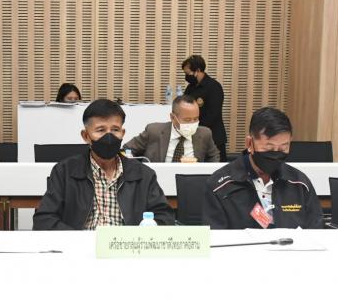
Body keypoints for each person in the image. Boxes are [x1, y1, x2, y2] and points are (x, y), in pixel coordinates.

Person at [33, 99, 174, 230]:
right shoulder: (65, 172)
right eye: (100, 130)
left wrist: (143, 232)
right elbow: (44, 220)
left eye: (115, 130)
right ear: (86, 136)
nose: (109, 136)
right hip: (81, 245)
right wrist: (77, 240)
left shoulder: (143, 174)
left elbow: (165, 217)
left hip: (126, 245)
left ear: (123, 133)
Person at [203, 107, 322, 229]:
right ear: (249, 143)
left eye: (283, 148)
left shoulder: (299, 183)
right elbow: (214, 235)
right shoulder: (221, 186)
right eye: (268, 148)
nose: (276, 153)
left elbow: (316, 230)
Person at [124, 94, 220, 163]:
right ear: (173, 118)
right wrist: (138, 170)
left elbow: (214, 157)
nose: (192, 123)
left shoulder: (205, 134)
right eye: (187, 120)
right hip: (157, 181)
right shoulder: (153, 131)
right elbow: (127, 150)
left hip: (191, 182)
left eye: (195, 119)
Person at [181, 54, 228, 161]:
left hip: (213, 138)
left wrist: (194, 127)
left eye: (188, 73)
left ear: (197, 70)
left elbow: (213, 114)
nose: (186, 77)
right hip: (194, 138)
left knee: (217, 168)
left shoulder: (214, 87)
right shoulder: (190, 88)